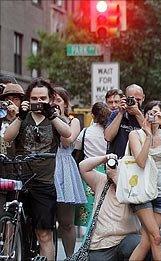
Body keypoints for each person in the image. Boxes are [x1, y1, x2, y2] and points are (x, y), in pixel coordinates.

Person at [4, 78, 72, 260]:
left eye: (42, 98)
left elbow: (67, 134)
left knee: (44, 234)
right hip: (20, 179)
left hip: (43, 182)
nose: (38, 102)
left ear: (50, 99)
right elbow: (7, 137)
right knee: (10, 228)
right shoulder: (23, 116)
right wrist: (19, 116)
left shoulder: (54, 118)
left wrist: (52, 115)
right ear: (29, 99)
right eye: (34, 98)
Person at [128, 101, 161, 261]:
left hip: (160, 192)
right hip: (142, 191)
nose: (153, 117)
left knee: (148, 241)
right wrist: (148, 136)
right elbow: (141, 162)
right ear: (144, 115)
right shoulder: (135, 135)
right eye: (150, 113)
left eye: (156, 113)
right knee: (157, 238)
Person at [78, 154, 148, 261]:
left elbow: (131, 197)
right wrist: (105, 158)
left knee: (140, 244)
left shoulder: (133, 187)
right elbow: (83, 167)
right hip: (101, 245)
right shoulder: (101, 181)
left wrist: (116, 177)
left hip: (126, 241)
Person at [53, 87, 87, 257]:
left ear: (66, 104)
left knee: (66, 223)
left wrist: (56, 117)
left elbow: (67, 142)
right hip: (46, 165)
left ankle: (70, 257)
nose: (54, 103)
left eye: (58, 100)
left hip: (65, 167)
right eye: (52, 100)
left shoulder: (73, 121)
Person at [74, 102, 111, 228]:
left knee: (91, 208)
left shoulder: (86, 132)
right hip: (108, 171)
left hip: (89, 172)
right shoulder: (110, 132)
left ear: (93, 115)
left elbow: (77, 149)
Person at [104, 84, 145, 158]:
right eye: (132, 99)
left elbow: (150, 135)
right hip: (118, 161)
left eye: (138, 100)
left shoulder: (146, 115)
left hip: (138, 161)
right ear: (125, 98)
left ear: (143, 98)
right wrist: (121, 113)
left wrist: (138, 113)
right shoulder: (116, 113)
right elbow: (108, 137)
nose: (135, 102)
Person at [0, 83, 24, 156]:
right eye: (8, 99)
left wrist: (17, 115)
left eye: (15, 99)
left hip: (19, 163)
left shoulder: (25, 120)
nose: (11, 102)